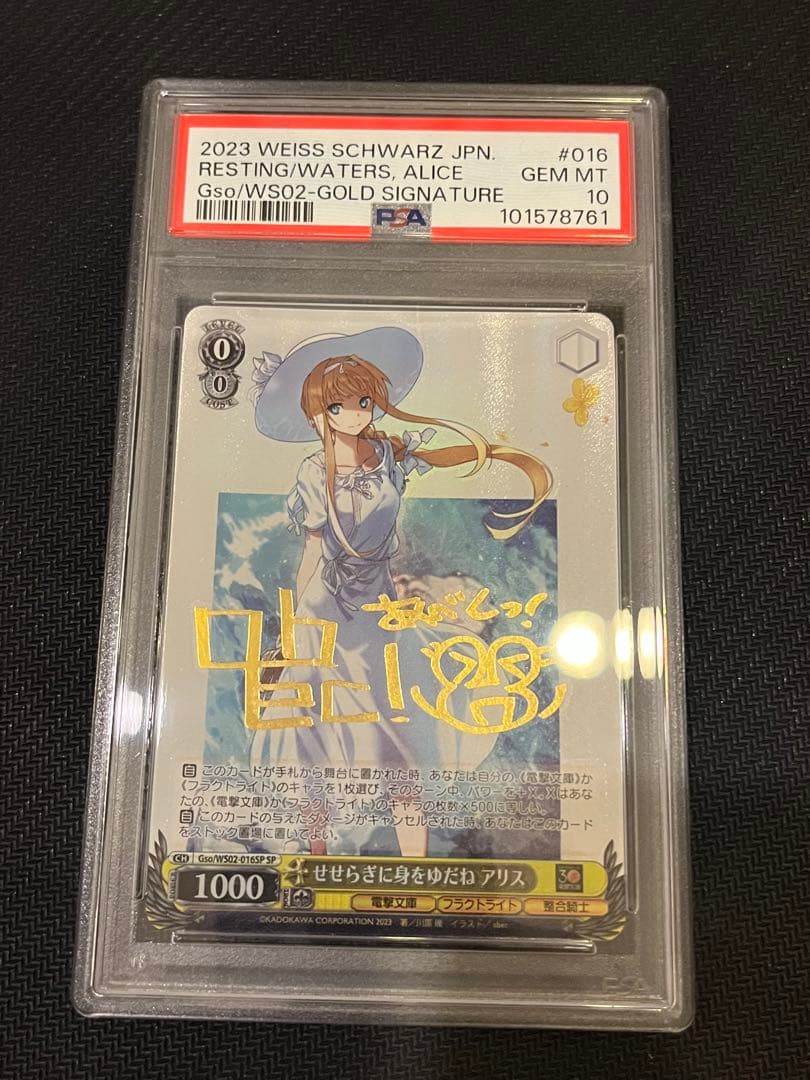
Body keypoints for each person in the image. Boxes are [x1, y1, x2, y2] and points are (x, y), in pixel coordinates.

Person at [249, 326, 552, 857]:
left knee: (401, 740)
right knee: (314, 735)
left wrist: (496, 453)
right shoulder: (314, 472)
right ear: (318, 414)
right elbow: (313, 550)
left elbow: (432, 465)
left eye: (362, 401)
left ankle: (417, 864)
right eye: (339, 406)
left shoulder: (386, 456)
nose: (354, 413)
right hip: (326, 607)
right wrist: (297, 624)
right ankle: (317, 856)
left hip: (379, 609)